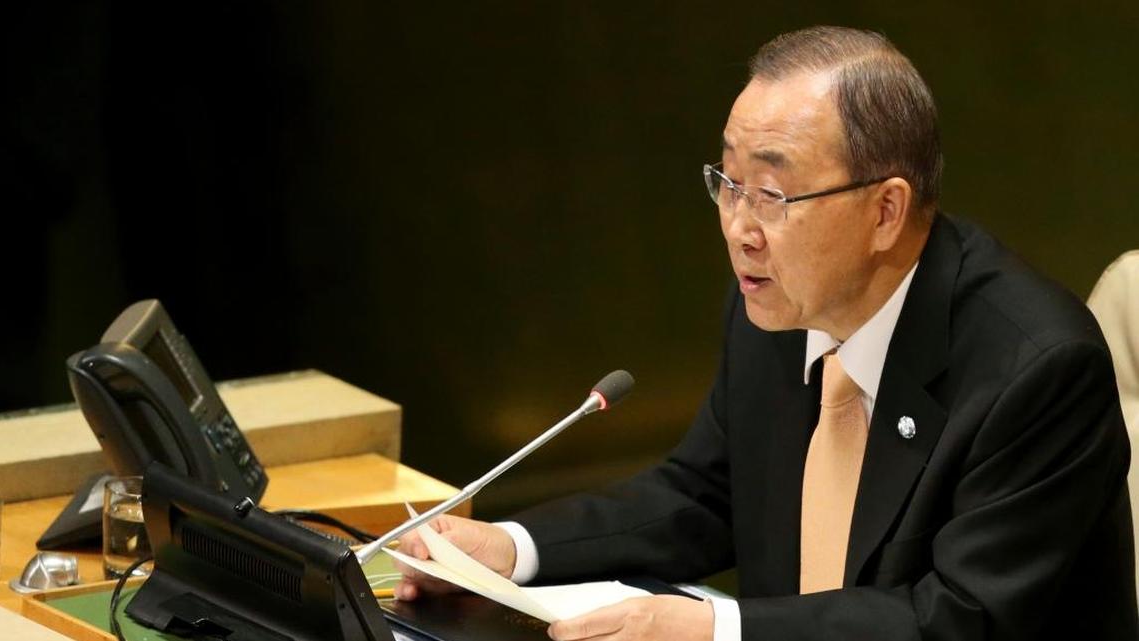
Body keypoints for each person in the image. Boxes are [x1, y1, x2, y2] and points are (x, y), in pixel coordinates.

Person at [394, 26, 1138, 640]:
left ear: (885, 211)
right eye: (727, 182)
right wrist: (512, 549)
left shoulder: (1037, 367)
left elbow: (957, 621)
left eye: (774, 194)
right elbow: (706, 493)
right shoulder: (778, 304)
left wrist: (713, 627)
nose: (740, 229)